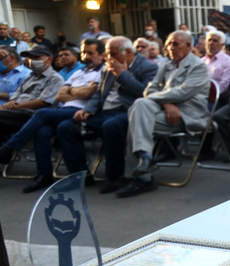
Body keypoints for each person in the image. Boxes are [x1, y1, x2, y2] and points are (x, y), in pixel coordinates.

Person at [0, 39, 104, 193]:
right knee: (42, 131)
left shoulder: (102, 72)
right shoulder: (78, 73)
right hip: (63, 111)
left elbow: (88, 93)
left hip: (81, 111)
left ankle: (9, 148)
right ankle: (44, 176)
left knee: (42, 114)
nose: (86, 56)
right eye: (84, 52)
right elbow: (61, 95)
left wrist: (72, 91)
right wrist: (77, 92)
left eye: (90, 53)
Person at [56, 36, 157, 194]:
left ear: (128, 52)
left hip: (129, 111)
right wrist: (87, 109)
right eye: (108, 54)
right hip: (104, 111)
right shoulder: (107, 66)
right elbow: (99, 93)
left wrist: (122, 74)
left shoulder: (147, 67)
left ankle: (115, 177)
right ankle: (80, 175)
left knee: (111, 126)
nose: (109, 58)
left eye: (113, 53)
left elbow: (145, 93)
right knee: (66, 127)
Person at [117, 31, 209, 197]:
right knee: (140, 106)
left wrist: (162, 101)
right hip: (165, 112)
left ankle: (140, 175)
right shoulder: (166, 65)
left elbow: (183, 93)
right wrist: (166, 104)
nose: (170, 48)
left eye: (175, 44)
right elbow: (149, 89)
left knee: (136, 116)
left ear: (189, 46)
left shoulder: (198, 66)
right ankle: (144, 158)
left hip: (186, 115)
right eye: (168, 44)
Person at [0, 45, 63, 146]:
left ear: (49, 59)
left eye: (36, 58)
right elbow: (16, 95)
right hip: (14, 113)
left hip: (31, 116)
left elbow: (42, 102)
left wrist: (16, 106)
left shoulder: (55, 78)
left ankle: (7, 149)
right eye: (30, 57)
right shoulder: (30, 76)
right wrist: (8, 105)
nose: (32, 61)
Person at [202, 30, 230, 95]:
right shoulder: (201, 61)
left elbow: (224, 85)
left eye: (215, 41)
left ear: (222, 45)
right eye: (209, 40)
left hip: (217, 97)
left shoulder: (228, 62)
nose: (211, 43)